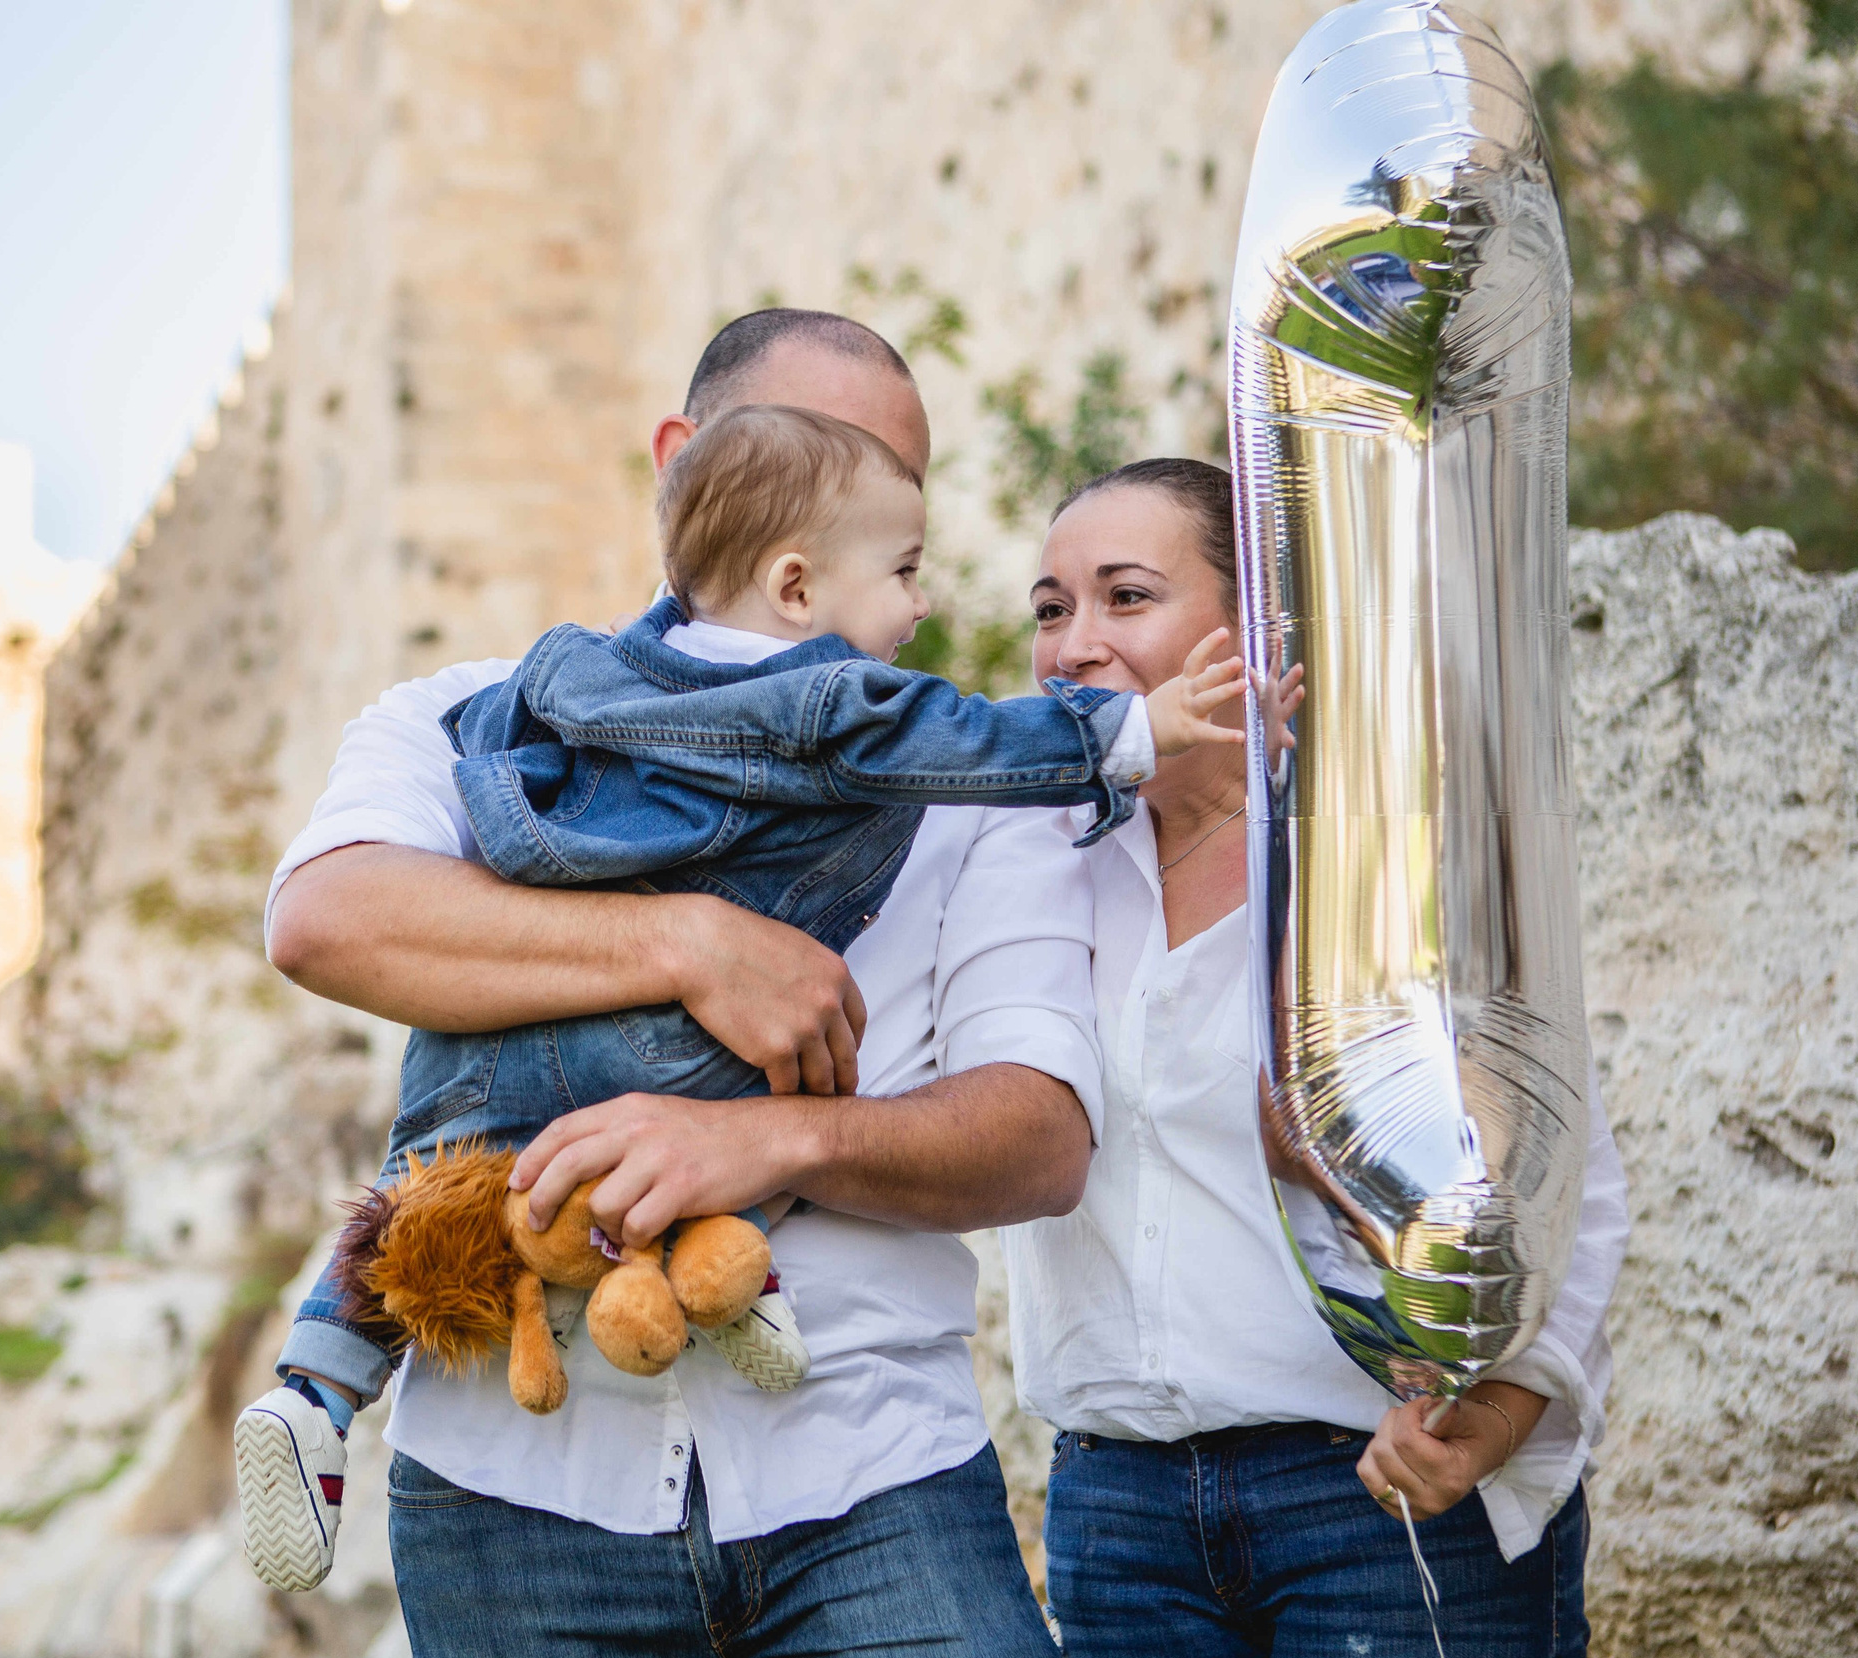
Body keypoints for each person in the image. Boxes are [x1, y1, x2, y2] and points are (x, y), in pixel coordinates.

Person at [244, 309, 1106, 1658]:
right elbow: (329, 920)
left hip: (873, 1476)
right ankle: (312, 1387)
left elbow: (1041, 1136)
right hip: (514, 1502)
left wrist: (775, 1143)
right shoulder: (475, 719)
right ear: (687, 465)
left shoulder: (961, 776)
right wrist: (694, 944)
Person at [246, 403, 1251, 1464]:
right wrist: (1133, 734)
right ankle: (740, 1294)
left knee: (422, 1178)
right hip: (560, 1471)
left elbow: (1037, 1139)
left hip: (519, 1081)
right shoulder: (844, 706)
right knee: (765, 1075)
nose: (920, 603)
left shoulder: (554, 680)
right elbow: (321, 920)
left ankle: (318, 1380)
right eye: (902, 568)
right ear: (795, 582)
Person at [1005, 457, 1629, 1658]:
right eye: (1050, 607)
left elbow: (1566, 1180)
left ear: (1253, 632)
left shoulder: (1385, 857)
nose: (1074, 645)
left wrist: (1490, 1420)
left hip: (1375, 1501)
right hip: (1118, 1519)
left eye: (1125, 598)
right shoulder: (1026, 867)